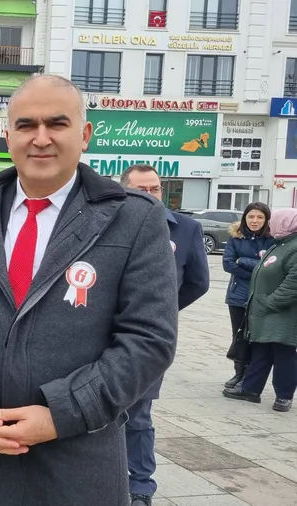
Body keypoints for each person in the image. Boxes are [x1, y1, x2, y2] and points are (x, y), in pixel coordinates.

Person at [0, 74, 178, 506]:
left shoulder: (133, 219)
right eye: (26, 125)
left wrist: (60, 414)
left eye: (57, 123)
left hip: (76, 462)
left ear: (84, 134)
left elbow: (149, 340)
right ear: (8, 136)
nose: (40, 138)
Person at [120, 164, 210, 506]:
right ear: (125, 191)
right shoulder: (108, 221)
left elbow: (198, 283)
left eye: (154, 188)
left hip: (149, 339)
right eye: (141, 189)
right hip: (103, 333)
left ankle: (140, 486)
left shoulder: (186, 229)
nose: (150, 195)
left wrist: (162, 313)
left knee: (138, 414)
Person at [223, 208, 297, 413]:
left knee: (283, 353)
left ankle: (284, 396)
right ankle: (251, 389)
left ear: (285, 223)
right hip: (265, 311)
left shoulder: (293, 248)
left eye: (273, 221)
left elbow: (293, 283)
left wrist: (271, 302)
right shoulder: (279, 244)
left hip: (281, 313)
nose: (269, 225)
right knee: (261, 350)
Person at [221, 203, 274, 388]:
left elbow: (272, 267)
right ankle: (239, 373)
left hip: (262, 295)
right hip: (238, 295)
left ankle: (250, 376)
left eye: (260, 217)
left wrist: (243, 260)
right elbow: (228, 264)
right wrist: (257, 271)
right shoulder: (236, 237)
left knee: (256, 337)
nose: (255, 221)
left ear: (266, 220)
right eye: (251, 216)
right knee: (239, 335)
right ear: (244, 218)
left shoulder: (272, 239)